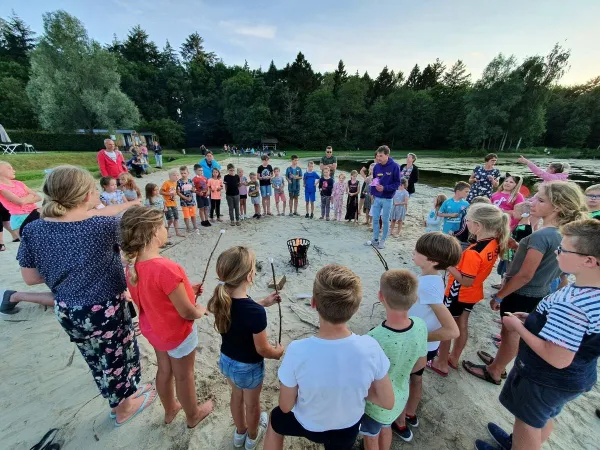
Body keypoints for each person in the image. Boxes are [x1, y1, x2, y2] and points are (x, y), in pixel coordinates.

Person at [15, 165, 154, 426]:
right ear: (85, 195)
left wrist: (65, 270)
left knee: (96, 357)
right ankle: (122, 408)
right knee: (117, 356)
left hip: (68, 309)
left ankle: (127, 394)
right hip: (105, 308)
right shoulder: (103, 226)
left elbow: (31, 278)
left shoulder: (33, 229)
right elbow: (129, 255)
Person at [475, 219, 600, 450]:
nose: (556, 252)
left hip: (546, 377)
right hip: (574, 377)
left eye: (563, 249)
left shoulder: (573, 305)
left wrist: (519, 327)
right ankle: (516, 444)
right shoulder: (590, 291)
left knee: (528, 423)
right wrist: (533, 321)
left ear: (589, 261)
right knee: (544, 416)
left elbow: (558, 357)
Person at [464, 181, 588, 385]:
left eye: (540, 199)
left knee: (510, 332)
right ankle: (499, 362)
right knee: (511, 332)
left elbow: (525, 274)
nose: (532, 202)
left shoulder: (541, 236)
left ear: (556, 207)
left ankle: (495, 370)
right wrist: (520, 245)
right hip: (542, 290)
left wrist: (500, 294)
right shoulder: (564, 234)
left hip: (522, 293)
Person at [263, 265, 394, 450]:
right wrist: (357, 390)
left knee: (276, 419)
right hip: (347, 428)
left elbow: (285, 406)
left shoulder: (297, 350)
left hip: (309, 426)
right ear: (356, 309)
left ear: (313, 303)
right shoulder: (370, 347)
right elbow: (387, 402)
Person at [120, 206, 214, 428]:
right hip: (177, 332)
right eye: (162, 226)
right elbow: (187, 312)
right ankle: (193, 415)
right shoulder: (166, 267)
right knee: (184, 375)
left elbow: (152, 296)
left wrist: (186, 289)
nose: (165, 229)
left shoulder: (133, 267)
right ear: (153, 232)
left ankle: (170, 409)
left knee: (164, 370)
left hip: (155, 330)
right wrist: (199, 310)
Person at [207, 247, 283, 450]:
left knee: (236, 397)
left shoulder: (220, 301)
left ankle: (239, 432)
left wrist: (263, 303)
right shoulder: (255, 313)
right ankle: (252, 435)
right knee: (252, 404)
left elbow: (239, 312)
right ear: (250, 276)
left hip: (227, 361)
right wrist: (278, 353)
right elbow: (263, 350)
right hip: (248, 368)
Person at [429, 204, 509, 376]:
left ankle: (441, 362)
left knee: (447, 325)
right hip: (473, 292)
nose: (466, 224)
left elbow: (465, 280)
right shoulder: (494, 242)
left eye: (468, 221)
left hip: (460, 292)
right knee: (462, 324)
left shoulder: (474, 252)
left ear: (478, 226)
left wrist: (449, 265)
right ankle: (454, 357)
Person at [359, 269, 427, 449]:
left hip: (375, 404)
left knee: (371, 436)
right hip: (400, 396)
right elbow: (420, 364)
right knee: (386, 427)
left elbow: (364, 377)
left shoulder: (373, 338)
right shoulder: (420, 326)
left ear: (381, 297)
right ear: (414, 299)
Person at [403, 233, 461, 439]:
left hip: (418, 347)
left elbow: (452, 330)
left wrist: (415, 336)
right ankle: (410, 413)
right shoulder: (433, 277)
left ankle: (400, 421)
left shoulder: (427, 285)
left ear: (434, 261)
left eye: (419, 251)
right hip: (424, 347)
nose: (414, 251)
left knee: (403, 382)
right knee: (415, 379)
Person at [362, 146, 401, 250]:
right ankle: (375, 239)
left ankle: (383, 240)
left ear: (387, 155)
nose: (378, 158)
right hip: (377, 198)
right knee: (375, 219)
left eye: (381, 156)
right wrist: (373, 193)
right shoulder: (376, 167)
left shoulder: (395, 166)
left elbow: (397, 184)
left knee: (385, 220)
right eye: (377, 156)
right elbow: (375, 181)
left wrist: (385, 188)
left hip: (388, 198)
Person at [0, 161, 41, 239]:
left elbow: (38, 197)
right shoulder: (1, 187)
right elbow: (19, 202)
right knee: (30, 243)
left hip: (34, 213)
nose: (13, 170)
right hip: (19, 217)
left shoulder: (18, 183)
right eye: (9, 168)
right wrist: (30, 196)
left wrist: (24, 200)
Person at [160, 169, 185, 238]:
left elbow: (177, 192)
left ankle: (177, 232)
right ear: (170, 176)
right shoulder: (166, 183)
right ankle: (166, 232)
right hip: (167, 204)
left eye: (177, 175)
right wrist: (168, 193)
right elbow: (160, 192)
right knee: (170, 219)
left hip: (174, 203)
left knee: (176, 218)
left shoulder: (177, 183)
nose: (176, 177)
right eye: (174, 175)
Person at [177, 166, 198, 232]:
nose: (183, 175)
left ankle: (194, 226)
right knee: (186, 215)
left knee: (193, 214)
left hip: (192, 201)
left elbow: (194, 189)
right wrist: (185, 198)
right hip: (184, 202)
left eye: (184, 173)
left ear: (188, 173)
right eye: (181, 173)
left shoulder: (190, 181)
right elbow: (178, 192)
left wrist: (194, 190)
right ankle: (188, 227)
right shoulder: (179, 182)